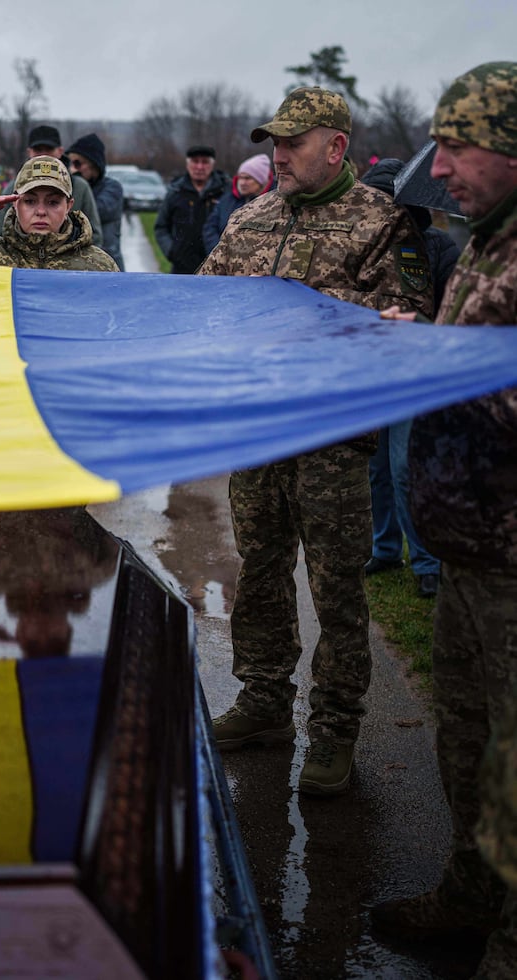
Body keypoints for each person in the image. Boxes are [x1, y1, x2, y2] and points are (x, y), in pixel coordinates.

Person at [197, 87, 433, 796]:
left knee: (336, 588)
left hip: (333, 437)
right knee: (261, 574)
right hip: (260, 429)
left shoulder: (383, 222)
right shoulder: (251, 217)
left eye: (293, 142)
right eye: (274, 141)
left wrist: (306, 315)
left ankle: (333, 728)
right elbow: (207, 300)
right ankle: (265, 701)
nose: (279, 153)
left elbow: (405, 319)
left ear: (336, 147)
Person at [368, 62, 517, 978]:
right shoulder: (486, 244)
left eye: (458, 146)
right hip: (468, 558)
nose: (441, 168)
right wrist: (412, 336)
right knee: (465, 742)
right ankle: (468, 902)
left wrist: (433, 368)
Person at [359, 157, 461, 599]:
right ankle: (385, 547)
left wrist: (418, 328)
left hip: (416, 376)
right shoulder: (362, 244)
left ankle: (426, 561)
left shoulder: (437, 246)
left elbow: (455, 316)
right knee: (376, 469)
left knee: (405, 468)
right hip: (370, 374)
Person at [0, 125, 102, 246]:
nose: (41, 211)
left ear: (60, 151)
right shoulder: (13, 188)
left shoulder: (80, 187)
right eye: (29, 201)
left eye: (54, 202)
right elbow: (1, 233)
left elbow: (94, 235)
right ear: (29, 152)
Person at [155, 145, 229, 273]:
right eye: (195, 162)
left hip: (217, 268)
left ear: (212, 165)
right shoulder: (175, 191)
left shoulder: (225, 191)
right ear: (187, 164)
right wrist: (171, 251)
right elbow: (161, 227)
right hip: (181, 268)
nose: (199, 167)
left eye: (205, 162)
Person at [65, 133, 125, 270]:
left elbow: (95, 211)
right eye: (70, 163)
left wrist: (78, 185)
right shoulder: (75, 187)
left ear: (94, 165)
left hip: (108, 262)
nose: (72, 168)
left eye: (78, 163)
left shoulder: (112, 187)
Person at [202, 153, 272, 254]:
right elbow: (210, 228)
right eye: (240, 177)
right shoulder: (226, 200)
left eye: (248, 178)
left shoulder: (274, 202)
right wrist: (220, 252)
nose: (242, 182)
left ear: (261, 181)